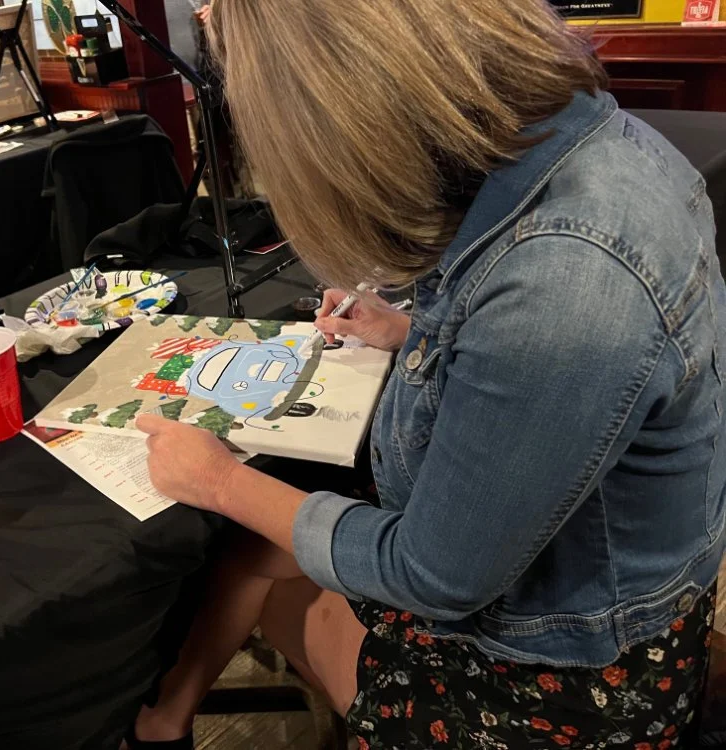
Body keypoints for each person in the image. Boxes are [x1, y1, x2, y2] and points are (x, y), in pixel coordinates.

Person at [125, 1, 726, 748]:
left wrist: (217, 482)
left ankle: (159, 723)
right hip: (593, 603)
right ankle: (166, 723)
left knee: (241, 542)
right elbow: (583, 390)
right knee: (254, 547)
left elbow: (434, 575)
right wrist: (416, 332)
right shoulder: (594, 143)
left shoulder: (566, 277)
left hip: (561, 688)